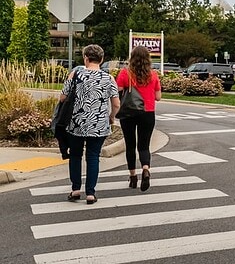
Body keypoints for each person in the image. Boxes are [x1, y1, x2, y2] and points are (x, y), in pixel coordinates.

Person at [61, 44, 119, 205]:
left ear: (86, 58)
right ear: (101, 60)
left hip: (76, 123)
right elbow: (116, 104)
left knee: (75, 155)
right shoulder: (109, 78)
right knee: (93, 157)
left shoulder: (75, 74)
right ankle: (91, 193)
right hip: (99, 124)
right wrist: (111, 117)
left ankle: (75, 189)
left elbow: (63, 97)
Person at [116, 45, 162, 191]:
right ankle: (146, 169)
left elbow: (118, 93)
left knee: (130, 145)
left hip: (129, 113)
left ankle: (133, 176)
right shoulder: (153, 75)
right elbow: (158, 97)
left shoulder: (125, 74)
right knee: (144, 145)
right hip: (147, 113)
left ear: (132, 58)